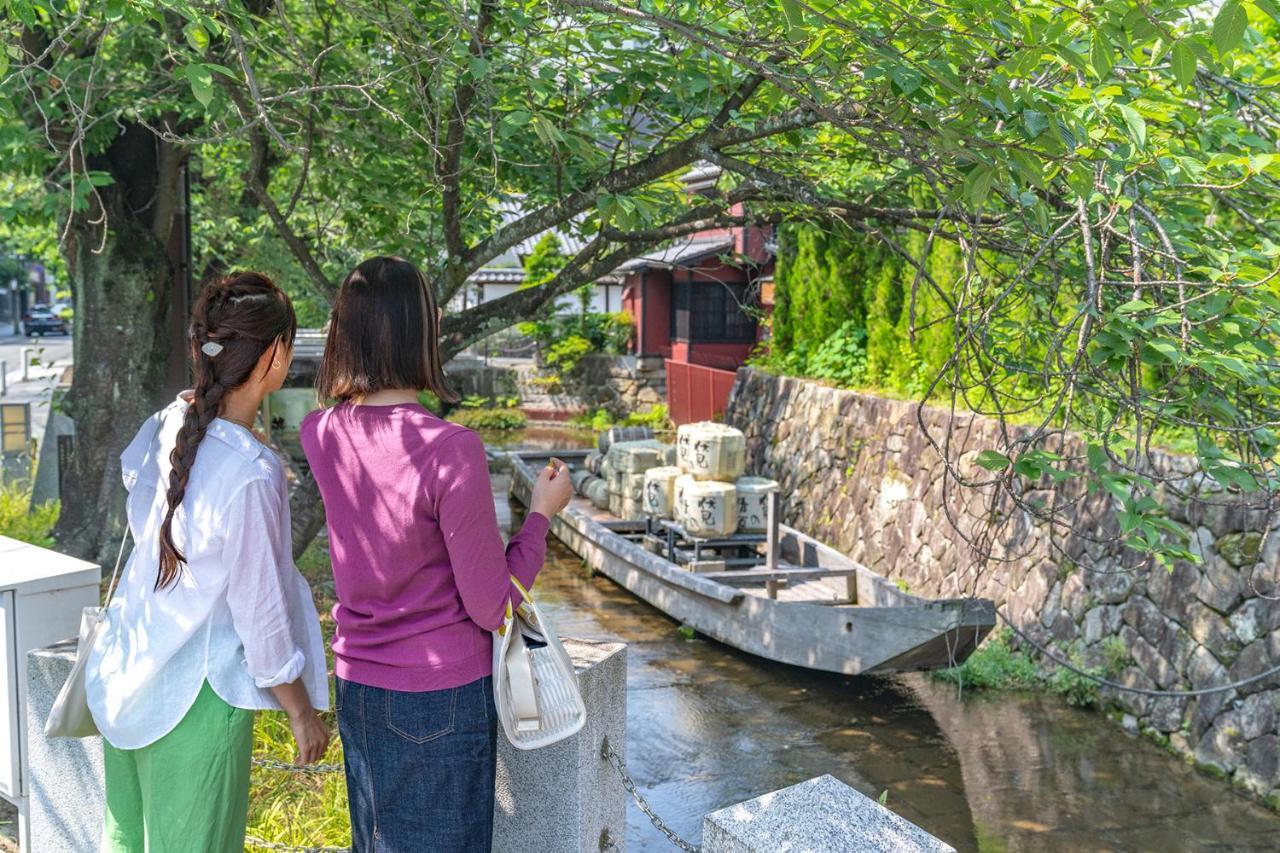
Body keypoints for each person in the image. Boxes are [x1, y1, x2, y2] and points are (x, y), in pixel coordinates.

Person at [300, 256, 573, 853]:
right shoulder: (450, 449)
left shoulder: (321, 433)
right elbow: (490, 606)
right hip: (440, 696)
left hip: (359, 683)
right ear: (423, 331)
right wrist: (541, 516)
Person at [87, 272, 331, 853]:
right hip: (195, 701)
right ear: (276, 355)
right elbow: (259, 607)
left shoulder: (171, 422)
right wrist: (300, 710)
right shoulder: (250, 472)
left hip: (129, 677)